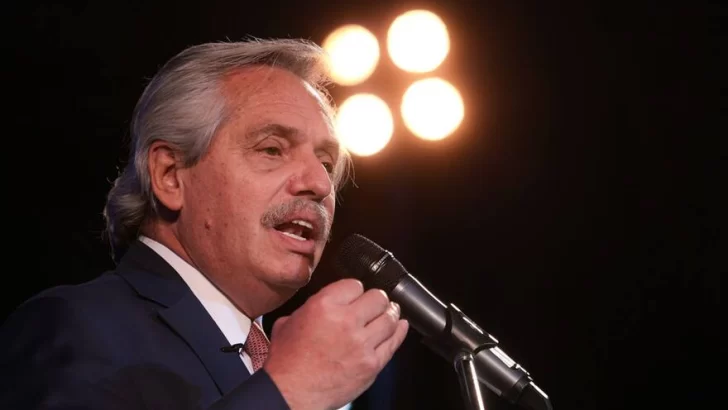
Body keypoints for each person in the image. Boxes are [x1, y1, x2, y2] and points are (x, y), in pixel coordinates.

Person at [0, 38, 409, 410]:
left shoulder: (287, 359)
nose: (320, 184)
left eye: (326, 163)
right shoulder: (75, 325)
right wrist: (288, 391)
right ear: (170, 177)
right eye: (272, 149)